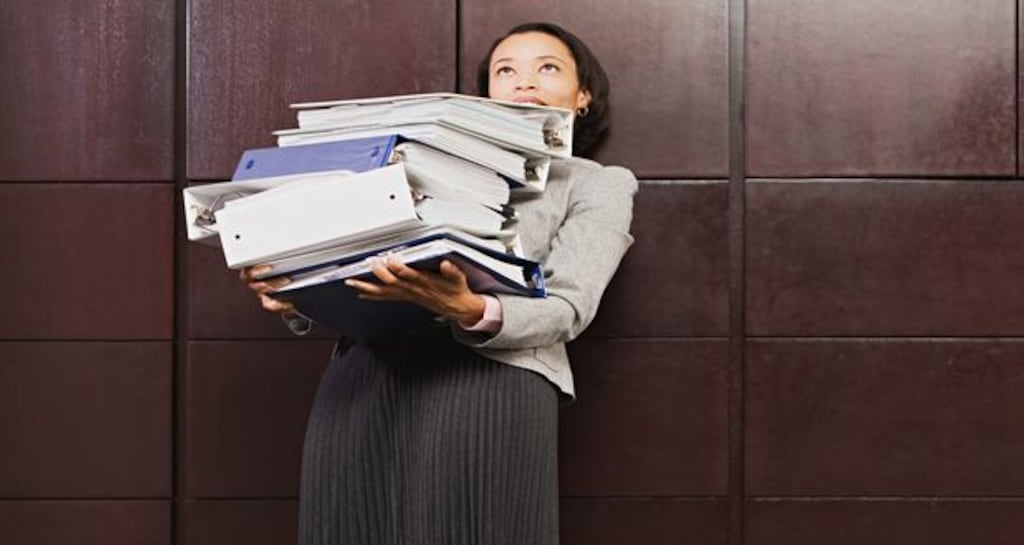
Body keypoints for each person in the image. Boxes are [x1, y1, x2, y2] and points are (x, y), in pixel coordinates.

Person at [241, 21, 638, 545]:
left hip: (490, 380)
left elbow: (570, 305)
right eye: (506, 70)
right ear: (487, 92)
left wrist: (470, 307)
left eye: (548, 67)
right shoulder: (416, 162)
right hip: (367, 374)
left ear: (582, 95)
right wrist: (294, 288)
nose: (525, 82)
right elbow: (361, 263)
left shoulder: (596, 184)